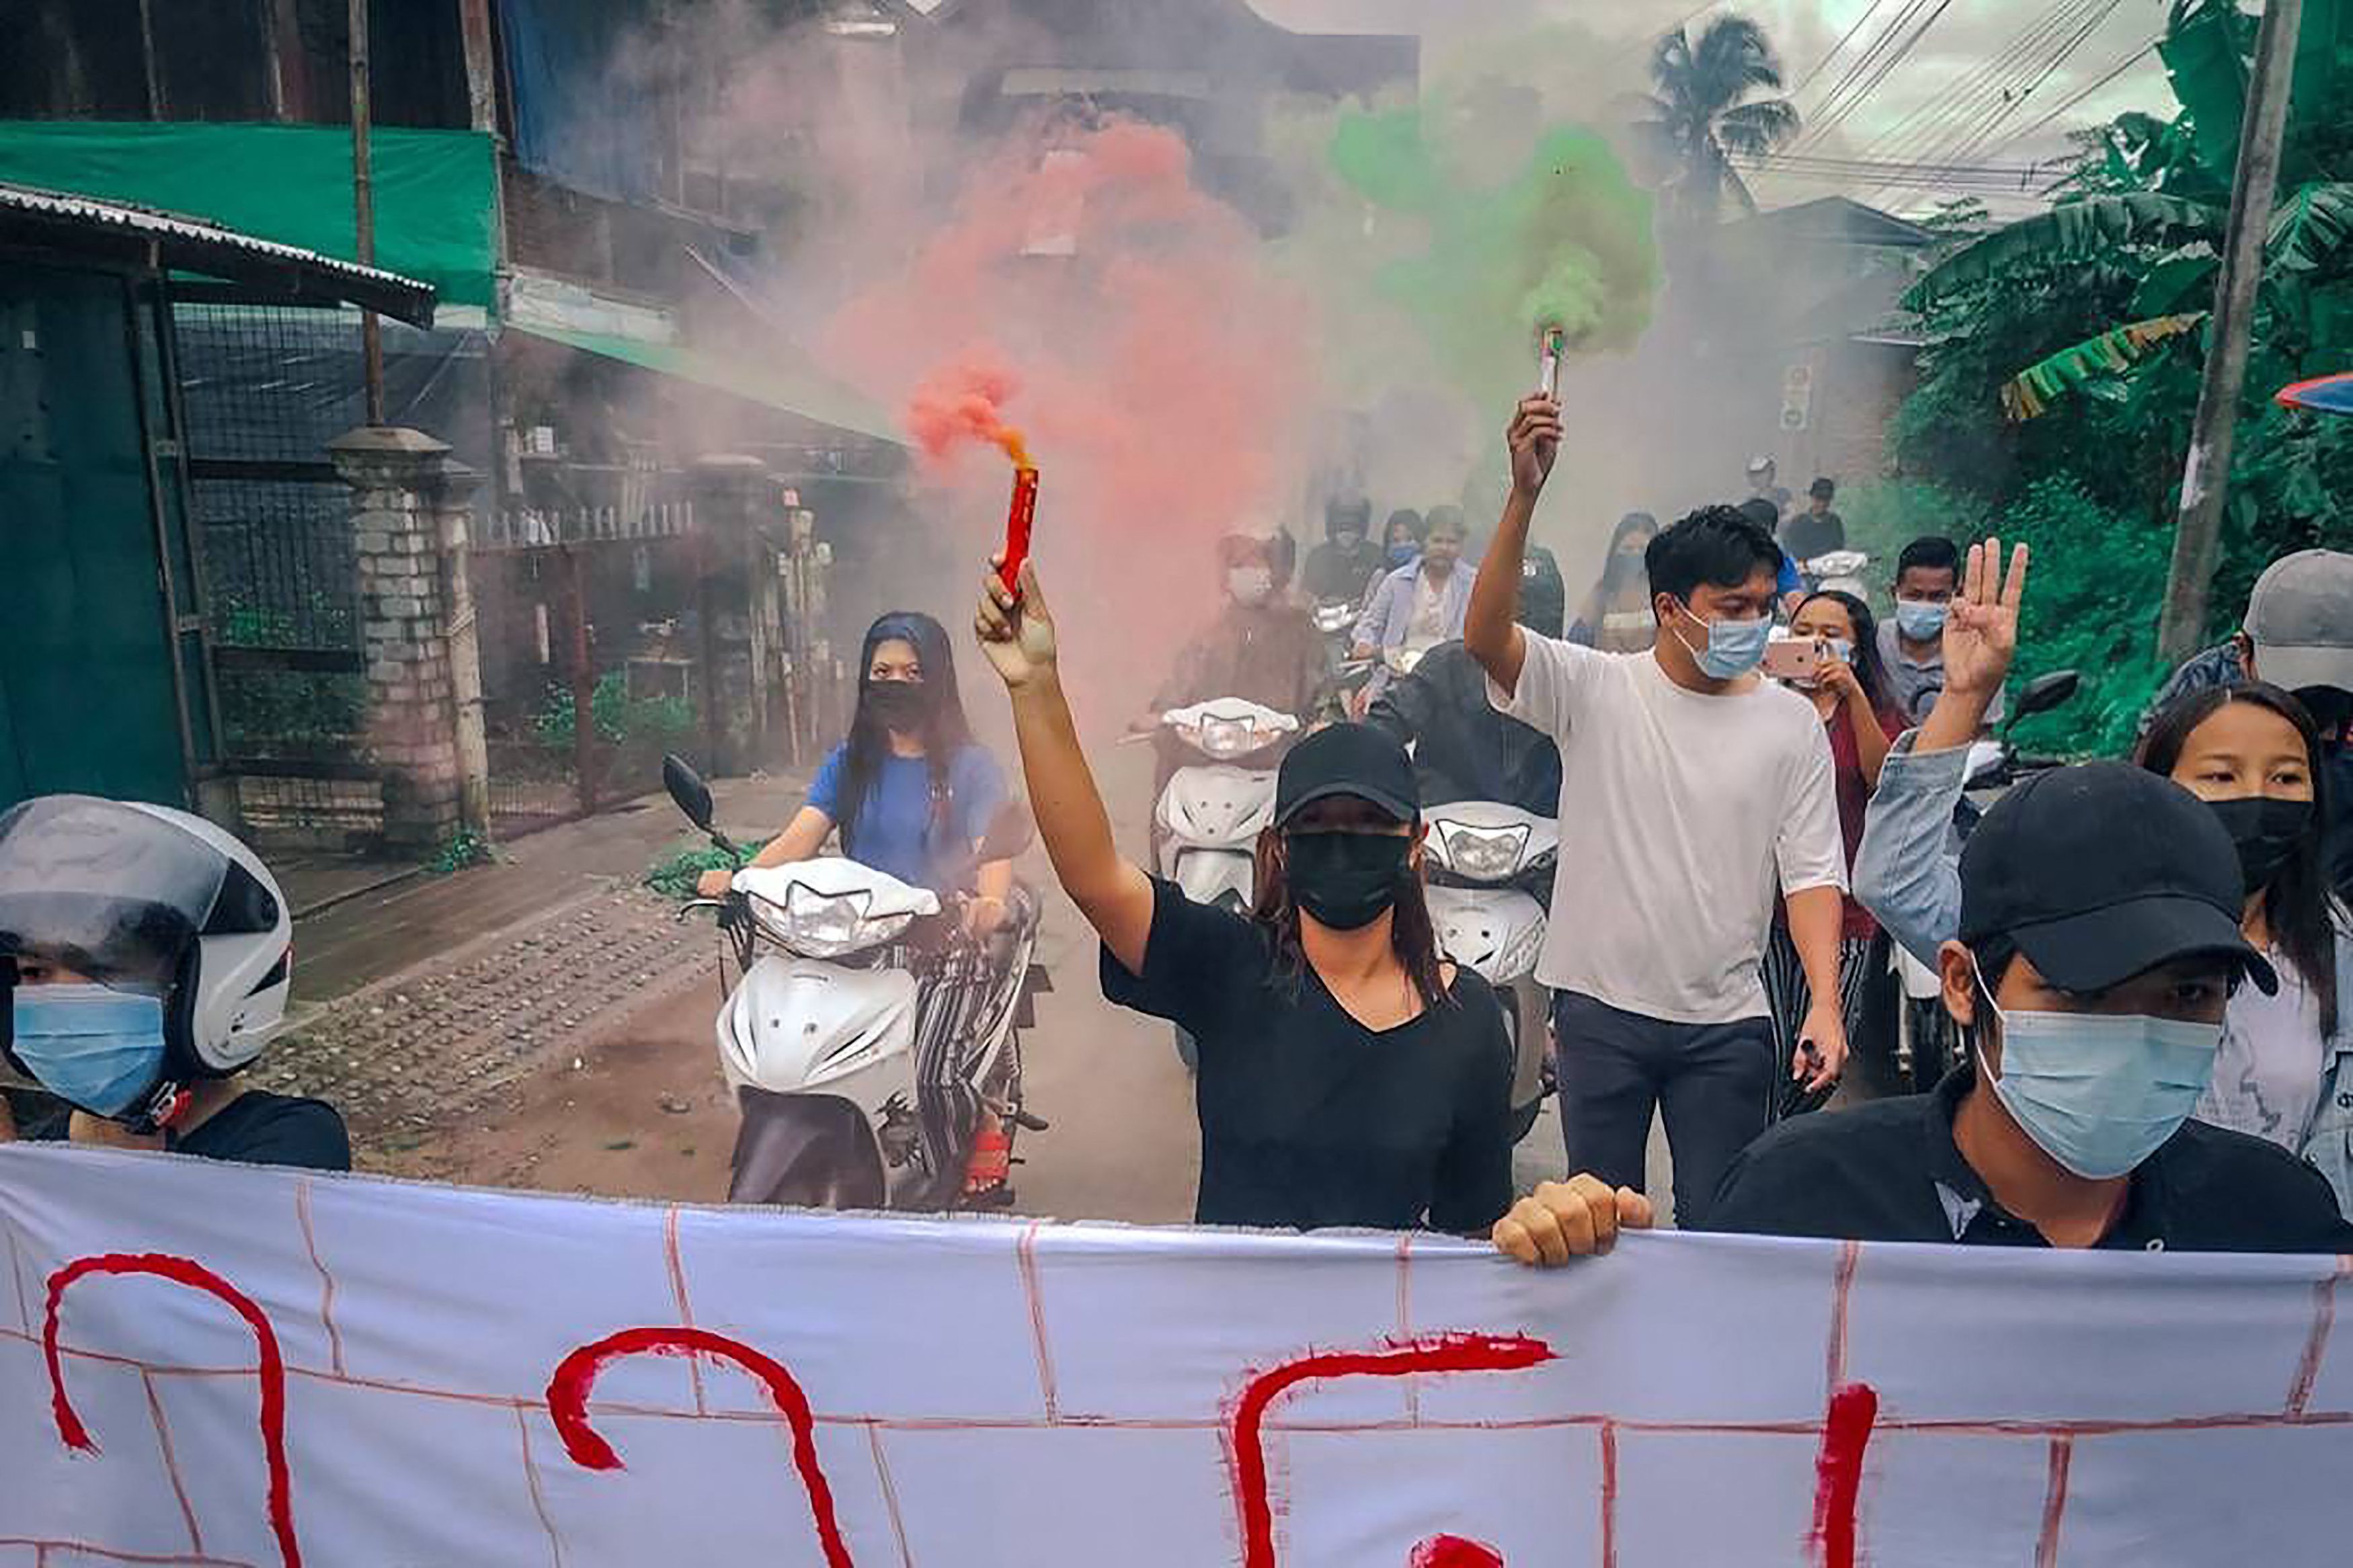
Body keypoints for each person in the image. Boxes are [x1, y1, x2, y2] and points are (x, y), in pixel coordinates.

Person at [1497, 759, 2353, 1258]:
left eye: (2187, 995)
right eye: (2084, 992)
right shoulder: (1797, 1201)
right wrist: (1584, 1276)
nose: (2135, 1033)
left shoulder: (2277, 1226)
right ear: (1961, 983)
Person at [974, 558, 1515, 1233]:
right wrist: (1034, 688)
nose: (1342, 841)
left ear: (1414, 844)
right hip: (1228, 1306)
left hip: (1385, 1310)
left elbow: (1474, 1239)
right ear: (1278, 847)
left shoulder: (1468, 1022)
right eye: (1316, 824)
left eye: (1369, 823)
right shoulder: (1231, 967)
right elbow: (1093, 877)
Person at [1467, 395, 1850, 1228]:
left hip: (1727, 1022)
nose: (1752, 622)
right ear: (1670, 609)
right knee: (1597, 1223)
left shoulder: (1790, 723)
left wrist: (1823, 999)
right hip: (1600, 1012)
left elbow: (1812, 873)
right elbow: (1486, 637)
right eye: (1731, 606)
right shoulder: (1594, 690)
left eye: (1762, 605)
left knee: (1720, 1225)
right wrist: (1522, 495)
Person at [0, 794, 350, 1170]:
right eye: (34, 972)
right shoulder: (40, 1149)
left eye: (106, 968)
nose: (61, 997)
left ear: (209, 984)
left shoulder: (293, 1141)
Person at [2139, 683, 2353, 1212]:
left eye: (2286, 777)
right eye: (2221, 775)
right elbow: (1928, 900)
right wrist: (1965, 699)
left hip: (2296, 1250)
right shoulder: (2097, 936)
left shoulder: (2338, 947)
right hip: (2145, 1248)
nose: (2257, 797)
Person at [698, 611, 1014, 932]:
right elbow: (799, 840)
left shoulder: (974, 768)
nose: (896, 683)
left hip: (944, 936)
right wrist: (741, 879)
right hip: (863, 933)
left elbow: (992, 850)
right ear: (866, 681)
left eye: (913, 673)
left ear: (938, 682)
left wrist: (991, 902)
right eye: (882, 672)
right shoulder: (850, 762)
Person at [2137, 550, 2353, 897]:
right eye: (2297, 690)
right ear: (2244, 651)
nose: (2315, 709)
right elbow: (2144, 805)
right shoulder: (2200, 694)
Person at [1760, 591, 1905, 1107]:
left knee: (1820, 1054)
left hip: (1843, 914)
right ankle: (1762, 1137)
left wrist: (1853, 696)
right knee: (1762, 1045)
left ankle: (1780, 1133)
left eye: (1831, 633)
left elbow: (1884, 781)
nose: (1815, 642)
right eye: (1803, 631)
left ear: (1858, 648)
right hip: (1762, 908)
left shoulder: (1877, 712)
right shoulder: (1760, 703)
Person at [1364, 549, 1566, 814]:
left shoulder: (1571, 680)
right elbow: (1386, 723)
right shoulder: (1445, 666)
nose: (1521, 622)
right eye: (1510, 608)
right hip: (1442, 823)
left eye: (1535, 612)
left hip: (1545, 830)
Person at [1883, 536, 2005, 729]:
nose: (1924, 604)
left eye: (1937, 597)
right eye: (1914, 595)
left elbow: (1982, 732)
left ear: (1957, 595)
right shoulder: (1875, 641)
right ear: (1894, 593)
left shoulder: (1976, 653)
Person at [1355, 508, 1476, 667]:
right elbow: (1371, 624)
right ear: (1424, 542)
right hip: (1399, 673)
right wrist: (1365, 642)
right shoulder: (1396, 582)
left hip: (1453, 674)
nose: (1444, 548)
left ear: (1461, 546)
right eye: (1437, 541)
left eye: (1452, 542)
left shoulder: (1475, 583)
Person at [1568, 511, 1659, 654]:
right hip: (1606, 667)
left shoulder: (1662, 591)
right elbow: (1575, 643)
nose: (1635, 555)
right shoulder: (1603, 592)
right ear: (1616, 551)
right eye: (1628, 549)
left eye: (1642, 549)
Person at [1303, 495, 1385, 606]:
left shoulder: (1375, 555)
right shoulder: (1318, 556)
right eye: (1341, 529)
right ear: (1331, 528)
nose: (1346, 534)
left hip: (1365, 613)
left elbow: (1383, 593)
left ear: (1362, 529)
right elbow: (1307, 593)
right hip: (1324, 612)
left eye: (1353, 529)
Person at [1780, 477, 1845, 563]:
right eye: (1819, 499)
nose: (1822, 504)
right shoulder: (1798, 523)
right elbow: (1793, 550)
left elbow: (1838, 548)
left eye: (1826, 499)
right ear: (1812, 497)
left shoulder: (1834, 522)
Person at [1745, 454, 1792, 521]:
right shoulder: (1752, 500)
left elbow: (1790, 515)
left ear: (1771, 474)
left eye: (1761, 473)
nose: (1757, 478)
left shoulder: (1782, 494)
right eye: (1754, 474)